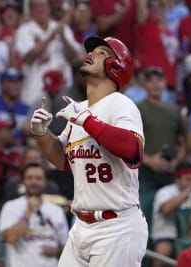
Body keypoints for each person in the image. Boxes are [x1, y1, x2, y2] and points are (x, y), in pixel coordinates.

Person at [30, 36, 147, 266]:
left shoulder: (120, 103)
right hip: (81, 226)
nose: (91, 54)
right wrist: (42, 134)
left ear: (116, 66)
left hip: (117, 226)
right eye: (91, 51)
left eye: (102, 52)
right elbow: (63, 161)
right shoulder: (79, 109)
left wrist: (87, 121)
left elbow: (133, 149)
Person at [0, 162, 69, 267]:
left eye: (38, 178)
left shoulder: (56, 210)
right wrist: (28, 212)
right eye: (30, 178)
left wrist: (56, 252)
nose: (34, 182)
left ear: (45, 182)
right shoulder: (10, 207)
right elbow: (10, 238)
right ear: (23, 181)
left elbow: (66, 247)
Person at [14, 0, 82, 106]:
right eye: (37, 6)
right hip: (35, 89)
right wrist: (51, 37)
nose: (41, 9)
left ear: (49, 8)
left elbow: (74, 58)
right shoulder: (24, 30)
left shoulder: (62, 28)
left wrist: (64, 38)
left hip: (62, 87)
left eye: (43, 6)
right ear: (31, 10)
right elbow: (28, 58)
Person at [137, 67, 187, 192]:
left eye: (159, 80)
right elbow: (128, 142)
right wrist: (149, 160)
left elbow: (183, 142)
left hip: (170, 173)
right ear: (144, 85)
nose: (155, 85)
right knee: (144, 210)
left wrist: (176, 161)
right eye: (150, 81)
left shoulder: (174, 110)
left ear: (165, 83)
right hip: (144, 173)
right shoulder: (137, 109)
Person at [151, 161, 191, 267]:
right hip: (167, 236)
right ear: (177, 179)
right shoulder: (164, 192)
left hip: (190, 235)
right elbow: (166, 209)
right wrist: (189, 190)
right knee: (163, 250)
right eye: (188, 179)